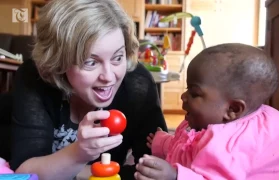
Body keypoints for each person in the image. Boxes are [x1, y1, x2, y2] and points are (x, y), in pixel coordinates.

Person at [9, 0, 167, 179]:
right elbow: (24, 172)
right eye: (90, 62)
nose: (108, 76)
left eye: (117, 57)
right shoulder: (35, 76)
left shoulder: (137, 83)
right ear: (58, 61)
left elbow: (156, 167)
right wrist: (78, 154)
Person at [135, 43, 279, 180]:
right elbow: (190, 147)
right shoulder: (212, 119)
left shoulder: (231, 147)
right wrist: (164, 143)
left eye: (194, 93)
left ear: (232, 109)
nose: (184, 96)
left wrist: (175, 176)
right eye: (187, 88)